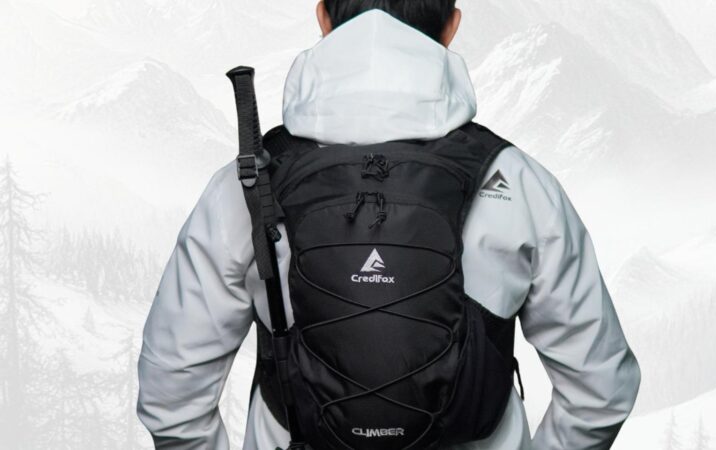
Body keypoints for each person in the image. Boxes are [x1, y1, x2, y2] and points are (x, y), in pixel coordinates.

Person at [136, 1, 641, 449]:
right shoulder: (514, 179)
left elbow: (171, 392)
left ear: (322, 17)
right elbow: (600, 389)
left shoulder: (250, 183)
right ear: (452, 27)